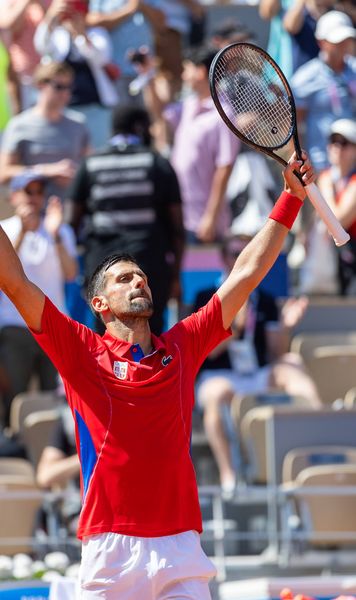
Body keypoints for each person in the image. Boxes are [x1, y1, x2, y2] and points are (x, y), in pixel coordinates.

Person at [0, 151, 313, 598]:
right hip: (109, 546)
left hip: (180, 546)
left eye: (141, 277)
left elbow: (245, 274)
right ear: (99, 305)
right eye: (124, 279)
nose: (138, 282)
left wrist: (289, 198)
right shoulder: (81, 351)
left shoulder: (183, 345)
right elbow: (14, 281)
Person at [194, 234, 322, 494]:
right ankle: (229, 477)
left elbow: (275, 353)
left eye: (244, 252)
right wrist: (236, 328)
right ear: (222, 257)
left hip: (257, 373)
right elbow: (203, 354)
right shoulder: (206, 297)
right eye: (233, 253)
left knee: (293, 365)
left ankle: (317, 438)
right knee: (215, 395)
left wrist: (285, 328)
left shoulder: (264, 299)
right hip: (222, 374)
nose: (239, 259)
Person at [66, 104, 184, 335]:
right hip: (149, 268)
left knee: (107, 336)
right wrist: (175, 277)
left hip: (101, 269)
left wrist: (85, 271)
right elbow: (177, 229)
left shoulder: (90, 164)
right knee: (152, 335)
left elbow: (71, 223)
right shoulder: (156, 163)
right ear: (140, 128)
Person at [0, 171, 78, 426]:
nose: (34, 198)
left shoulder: (59, 230)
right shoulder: (7, 230)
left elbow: (71, 274)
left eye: (39, 192)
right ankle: (15, 449)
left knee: (54, 399)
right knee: (14, 397)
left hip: (53, 325)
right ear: (13, 197)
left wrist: (55, 236)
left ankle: (50, 447)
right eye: (28, 192)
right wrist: (22, 231)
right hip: (14, 327)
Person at [143, 44, 240, 242]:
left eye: (187, 68)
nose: (184, 75)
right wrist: (148, 77)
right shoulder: (188, 105)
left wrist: (210, 217)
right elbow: (159, 110)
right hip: (181, 217)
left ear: (201, 72)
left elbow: (225, 167)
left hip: (204, 224)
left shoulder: (225, 114)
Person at [0, 61, 90, 203]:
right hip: (32, 214)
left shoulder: (78, 124)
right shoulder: (18, 125)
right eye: (59, 87)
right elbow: (4, 173)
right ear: (41, 85)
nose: (65, 93)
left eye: (69, 87)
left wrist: (75, 176)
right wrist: (45, 171)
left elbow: (89, 167)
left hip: (70, 211)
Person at [34, 0, 119, 150]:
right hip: (63, 108)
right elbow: (42, 46)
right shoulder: (56, 34)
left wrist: (81, 34)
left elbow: (100, 58)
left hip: (94, 106)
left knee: (97, 149)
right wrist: (50, 17)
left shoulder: (97, 33)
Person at [291, 10, 356, 173]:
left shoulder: (354, 68)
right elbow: (294, 126)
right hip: (322, 166)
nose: (342, 46)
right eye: (337, 41)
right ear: (321, 42)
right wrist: (301, 166)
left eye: (346, 40)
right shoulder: (305, 78)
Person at [87, 0, 165, 103]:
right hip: (115, 74)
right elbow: (92, 21)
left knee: (149, 117)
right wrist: (127, 10)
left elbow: (162, 24)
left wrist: (141, 5)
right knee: (122, 116)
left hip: (145, 73)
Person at [317, 118, 356, 294]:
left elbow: (338, 223)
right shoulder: (324, 177)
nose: (337, 148)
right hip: (328, 260)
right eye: (334, 141)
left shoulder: (326, 180)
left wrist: (325, 187)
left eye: (344, 143)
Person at [0, 0, 51, 110]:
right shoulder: (8, 3)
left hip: (51, 76)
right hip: (25, 78)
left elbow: (56, 27)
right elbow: (8, 26)